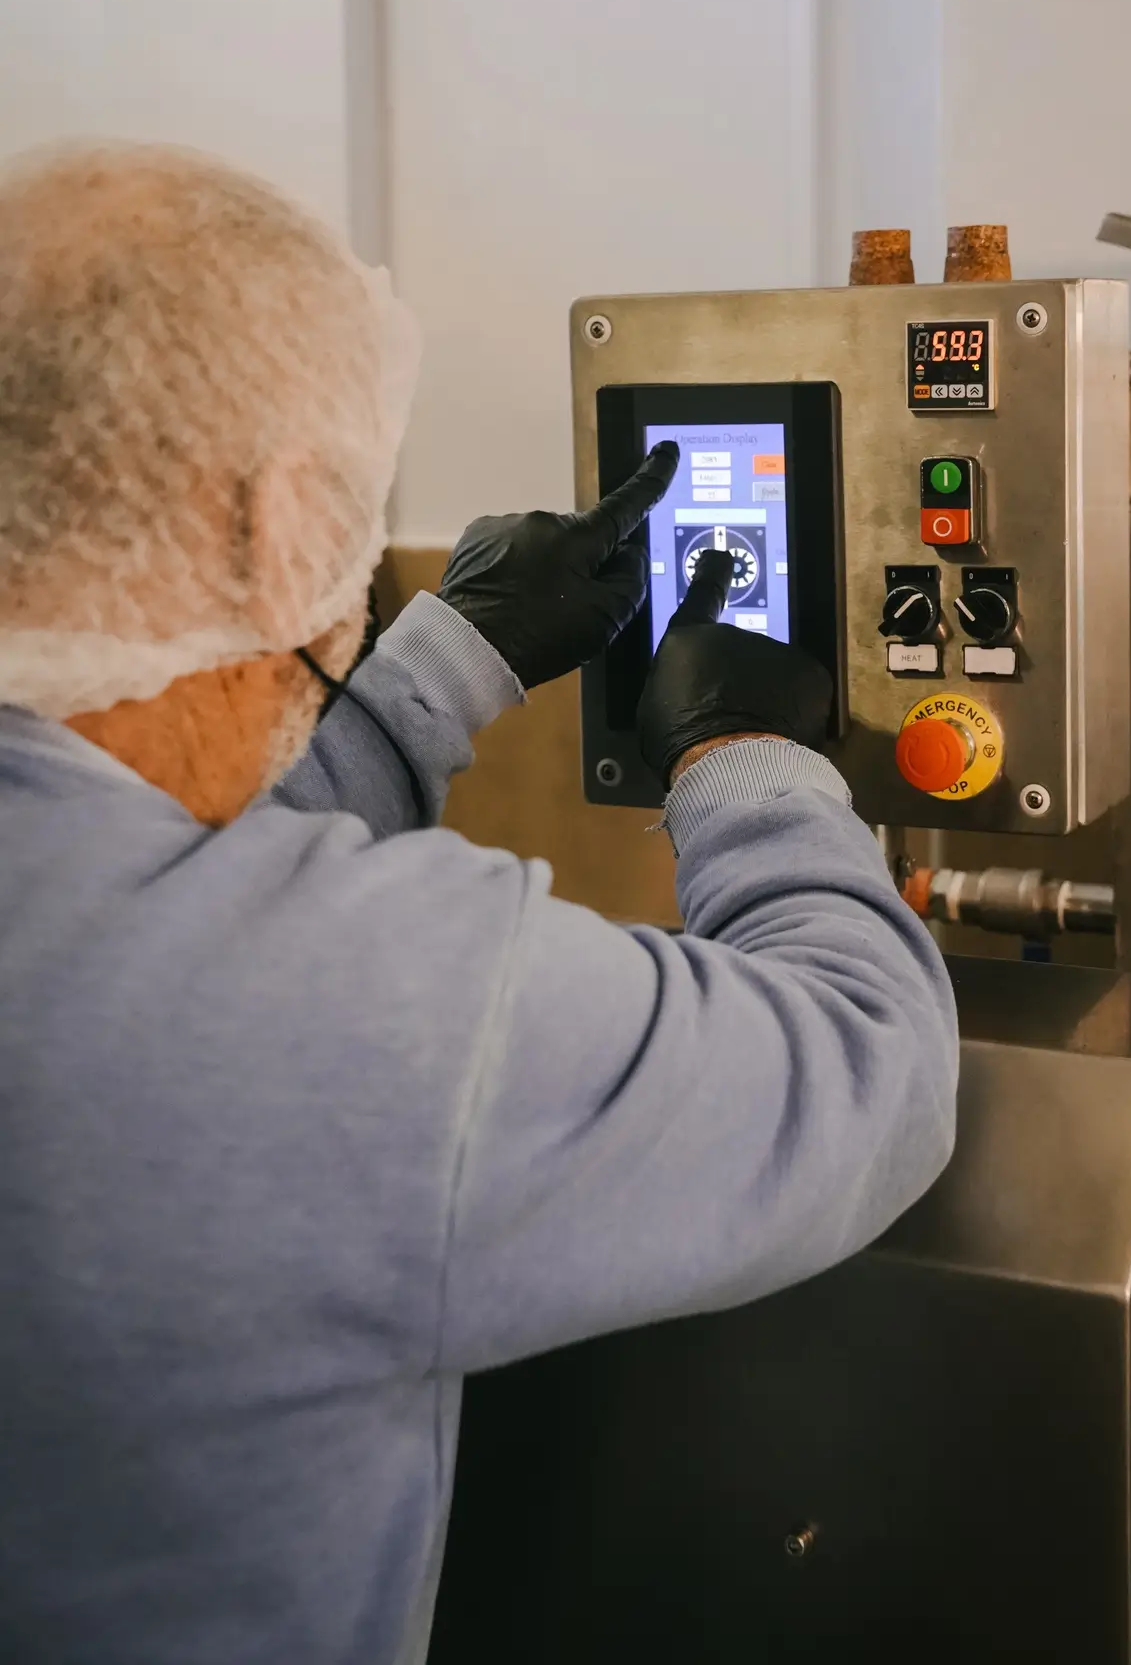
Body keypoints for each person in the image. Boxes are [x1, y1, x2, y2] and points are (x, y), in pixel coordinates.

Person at [0, 143, 957, 1665]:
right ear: (290, 520)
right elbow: (865, 1067)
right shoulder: (358, 1009)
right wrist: (746, 754)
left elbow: (154, 903)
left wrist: (448, 659)